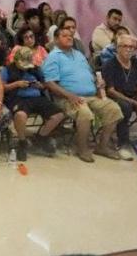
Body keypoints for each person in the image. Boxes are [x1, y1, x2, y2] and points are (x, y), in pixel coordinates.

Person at [43, 27, 124, 162]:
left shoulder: (79, 54)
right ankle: (82, 148)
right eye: (65, 35)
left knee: (113, 109)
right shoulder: (53, 56)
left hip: (91, 95)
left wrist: (98, 84)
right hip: (68, 98)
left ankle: (102, 146)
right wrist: (69, 96)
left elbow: (91, 75)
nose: (70, 37)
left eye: (71, 35)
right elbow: (49, 83)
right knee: (85, 113)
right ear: (56, 39)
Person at [1, 46, 64, 161]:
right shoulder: (7, 70)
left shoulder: (35, 69)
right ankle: (22, 141)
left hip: (37, 97)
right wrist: (16, 84)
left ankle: (41, 137)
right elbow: (2, 87)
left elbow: (44, 84)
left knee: (58, 115)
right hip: (18, 98)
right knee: (20, 115)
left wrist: (40, 86)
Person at [101, 34, 137, 161]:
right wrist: (135, 103)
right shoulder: (110, 64)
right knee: (125, 107)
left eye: (132, 47)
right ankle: (123, 144)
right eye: (125, 46)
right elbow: (111, 91)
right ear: (118, 48)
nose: (129, 49)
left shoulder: (136, 63)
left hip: (134, 96)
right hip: (116, 97)